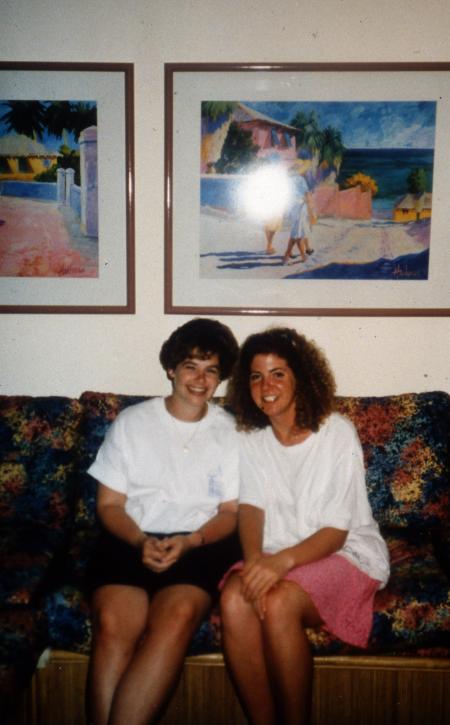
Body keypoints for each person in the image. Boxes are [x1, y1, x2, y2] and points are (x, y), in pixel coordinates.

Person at [220, 327, 390, 725]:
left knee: (279, 601)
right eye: (257, 376)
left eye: (278, 374)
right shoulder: (250, 438)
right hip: (276, 552)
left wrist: (277, 565)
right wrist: (255, 562)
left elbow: (336, 531)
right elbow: (250, 507)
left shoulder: (337, 432)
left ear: (301, 377)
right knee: (233, 598)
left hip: (345, 552)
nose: (267, 387)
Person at [86, 318, 241, 725]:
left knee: (176, 618)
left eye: (211, 370)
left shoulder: (231, 433)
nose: (200, 380)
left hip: (199, 543)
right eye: (191, 366)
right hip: (130, 537)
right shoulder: (132, 422)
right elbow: (109, 505)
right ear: (171, 369)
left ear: (221, 377)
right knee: (113, 624)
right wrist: (140, 542)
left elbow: (230, 513)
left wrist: (190, 542)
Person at [282, 159, 316, 265]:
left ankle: (300, 256)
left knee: (298, 231)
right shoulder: (300, 179)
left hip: (292, 207)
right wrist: (311, 211)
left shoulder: (288, 180)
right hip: (300, 207)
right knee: (296, 233)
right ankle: (287, 256)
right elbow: (306, 195)